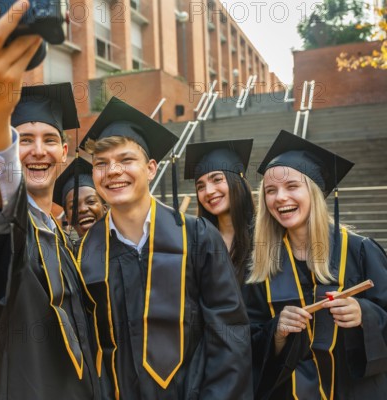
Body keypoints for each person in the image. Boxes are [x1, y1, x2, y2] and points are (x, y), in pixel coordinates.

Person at [0, 4, 101, 398]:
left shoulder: (64, 235)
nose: (38, 150)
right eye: (24, 138)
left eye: (49, 139)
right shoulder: (12, 232)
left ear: (65, 151)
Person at [78, 97, 253, 399]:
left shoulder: (197, 237)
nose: (112, 171)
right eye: (101, 164)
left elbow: (229, 333)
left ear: (150, 168)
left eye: (126, 160)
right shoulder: (84, 253)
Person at [246, 130, 387, 399]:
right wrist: (276, 332)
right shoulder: (262, 264)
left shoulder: (359, 250)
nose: (280, 198)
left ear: (314, 191)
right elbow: (247, 338)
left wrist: (365, 315)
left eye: (292, 186)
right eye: (270, 190)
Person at [184, 139, 255, 284]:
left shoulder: (265, 235)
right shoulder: (196, 242)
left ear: (237, 181)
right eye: (200, 187)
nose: (208, 191)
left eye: (217, 180)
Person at [53, 157, 106, 246]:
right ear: (67, 218)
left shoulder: (127, 249)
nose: (83, 209)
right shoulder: (66, 258)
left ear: (104, 209)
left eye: (91, 201)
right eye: (73, 207)